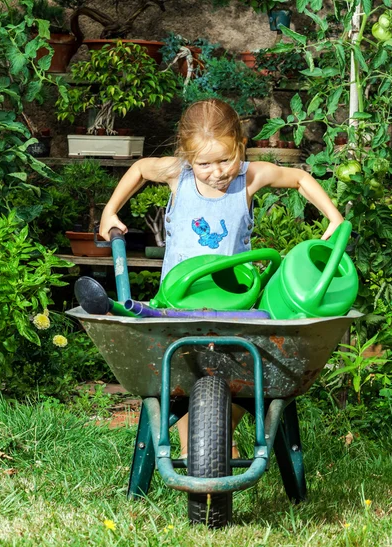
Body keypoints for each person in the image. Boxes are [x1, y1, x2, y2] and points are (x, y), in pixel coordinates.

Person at [99, 98, 344, 458]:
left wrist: (334, 218)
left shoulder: (250, 176)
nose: (217, 171)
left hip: (235, 308)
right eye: (204, 163)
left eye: (225, 159)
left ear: (240, 147)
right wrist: (110, 211)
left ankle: (214, 433)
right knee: (182, 375)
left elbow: (301, 178)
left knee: (250, 370)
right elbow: (138, 168)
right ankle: (195, 446)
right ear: (186, 157)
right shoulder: (176, 175)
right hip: (177, 306)